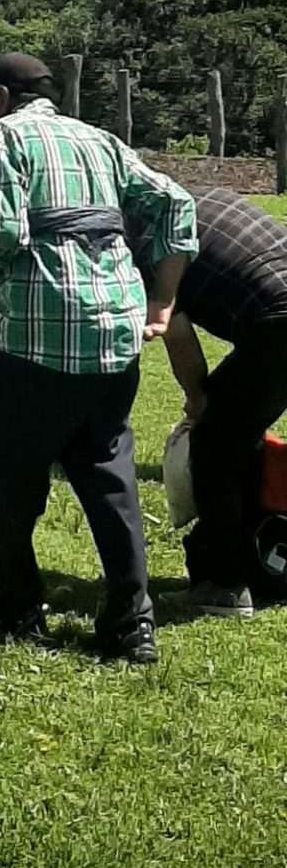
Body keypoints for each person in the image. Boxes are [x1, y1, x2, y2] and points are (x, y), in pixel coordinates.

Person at [0, 52, 198, 663]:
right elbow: (176, 203)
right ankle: (131, 625)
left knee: (5, 468)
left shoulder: (1, 140)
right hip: (115, 332)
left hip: (39, 338)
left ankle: (15, 603)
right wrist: (163, 300)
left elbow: (4, 236)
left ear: (0, 97)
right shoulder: (100, 142)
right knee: (108, 472)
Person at [133, 187, 287, 617]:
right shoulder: (203, 198)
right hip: (275, 317)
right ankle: (261, 561)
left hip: (278, 322)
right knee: (237, 433)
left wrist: (197, 397)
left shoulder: (146, 242)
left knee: (215, 445)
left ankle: (224, 585)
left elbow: (178, 334)